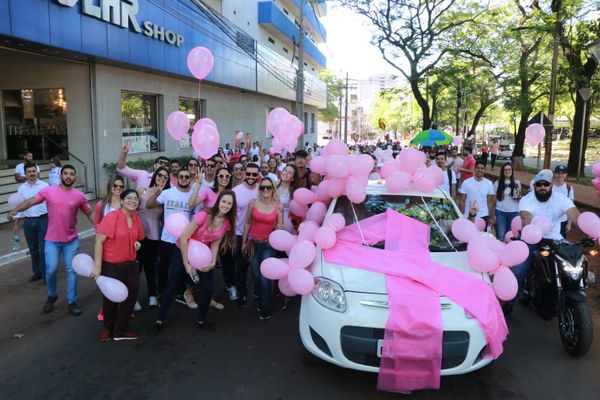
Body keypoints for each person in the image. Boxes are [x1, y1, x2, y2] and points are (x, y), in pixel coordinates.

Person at [8, 165, 93, 316]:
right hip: (52, 241)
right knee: (51, 270)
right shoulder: (49, 191)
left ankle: (72, 301)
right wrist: (16, 210)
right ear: (60, 176)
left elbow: (89, 213)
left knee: (71, 271)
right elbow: (30, 202)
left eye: (71, 174)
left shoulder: (79, 196)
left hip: (71, 241)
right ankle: (52, 295)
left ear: (75, 177)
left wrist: (101, 227)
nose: (68, 176)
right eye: (65, 173)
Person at [153, 190, 237, 333]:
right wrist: (187, 264)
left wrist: (212, 261)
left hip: (202, 254)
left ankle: (201, 319)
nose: (226, 205)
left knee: (208, 289)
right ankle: (159, 319)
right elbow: (184, 237)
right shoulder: (204, 214)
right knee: (172, 285)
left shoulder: (227, 222)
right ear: (218, 202)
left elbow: (215, 243)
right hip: (182, 250)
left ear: (232, 206)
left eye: (229, 203)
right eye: (224, 201)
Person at [508, 170, 580, 313]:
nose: (542, 187)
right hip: (532, 238)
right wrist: (529, 229)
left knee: (575, 261)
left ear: (551, 184)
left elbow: (574, 214)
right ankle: (509, 303)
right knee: (520, 270)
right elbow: (526, 218)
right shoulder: (527, 200)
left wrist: (587, 227)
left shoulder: (561, 198)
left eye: (545, 184)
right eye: (539, 184)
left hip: (555, 239)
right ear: (534, 185)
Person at [91, 189, 144, 341]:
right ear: (121, 200)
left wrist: (137, 245)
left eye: (136, 198)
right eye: (129, 198)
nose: (133, 201)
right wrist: (97, 266)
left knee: (130, 298)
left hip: (131, 265)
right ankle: (108, 328)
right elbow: (99, 242)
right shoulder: (112, 217)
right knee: (110, 299)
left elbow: (138, 238)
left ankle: (120, 330)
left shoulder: (136, 218)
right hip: (111, 266)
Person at [146, 168, 195, 297]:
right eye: (181, 176)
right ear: (177, 178)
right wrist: (156, 194)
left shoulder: (193, 195)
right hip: (167, 238)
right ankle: (162, 292)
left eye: (186, 177)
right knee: (164, 267)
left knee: (182, 268)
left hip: (184, 240)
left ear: (190, 180)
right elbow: (149, 205)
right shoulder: (167, 193)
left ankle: (180, 292)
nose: (184, 179)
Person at [243, 177, 283, 320]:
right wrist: (244, 241)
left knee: (264, 277)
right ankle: (261, 297)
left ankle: (265, 307)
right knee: (255, 275)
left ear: (273, 189)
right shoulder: (253, 203)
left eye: (268, 187)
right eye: (262, 187)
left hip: (268, 245)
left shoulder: (278, 206)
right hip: (253, 243)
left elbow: (280, 228)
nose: (265, 190)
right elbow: (247, 222)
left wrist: (280, 217)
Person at [136, 167, 170, 308]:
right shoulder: (142, 190)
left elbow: (164, 216)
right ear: (155, 176)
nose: (161, 178)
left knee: (150, 266)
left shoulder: (167, 194)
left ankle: (152, 294)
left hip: (153, 233)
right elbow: (133, 207)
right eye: (160, 175)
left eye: (165, 177)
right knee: (135, 268)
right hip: (137, 232)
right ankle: (133, 298)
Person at [14, 162, 49, 282]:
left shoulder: (45, 186)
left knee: (44, 249)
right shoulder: (21, 188)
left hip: (43, 220)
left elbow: (51, 203)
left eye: (34, 171)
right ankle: (37, 272)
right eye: (29, 172)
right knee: (33, 249)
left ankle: (45, 274)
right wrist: (16, 223)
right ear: (25, 173)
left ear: (37, 172)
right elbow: (19, 206)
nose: (32, 174)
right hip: (28, 222)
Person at [232, 163, 260, 305]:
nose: (250, 177)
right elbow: (230, 214)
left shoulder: (263, 190)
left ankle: (257, 292)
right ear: (244, 173)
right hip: (239, 234)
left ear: (258, 175)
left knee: (256, 268)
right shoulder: (236, 191)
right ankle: (241, 293)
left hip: (257, 236)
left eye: (254, 174)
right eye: (248, 173)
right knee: (241, 267)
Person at [459, 161, 495, 228]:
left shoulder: (489, 183)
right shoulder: (466, 182)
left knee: (482, 237)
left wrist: (491, 217)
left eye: (482, 168)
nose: (480, 170)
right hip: (468, 215)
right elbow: (462, 201)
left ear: (485, 170)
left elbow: (490, 202)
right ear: (474, 169)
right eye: (478, 168)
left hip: (483, 215)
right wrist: (460, 216)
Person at [493, 163, 521, 240]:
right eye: (505, 169)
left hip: (514, 212)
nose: (507, 171)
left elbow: (519, 197)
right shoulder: (497, 183)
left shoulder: (517, 182)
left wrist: (518, 198)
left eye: (509, 169)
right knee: (501, 236)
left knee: (510, 236)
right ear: (502, 171)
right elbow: (494, 200)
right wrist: (493, 215)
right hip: (500, 212)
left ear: (512, 171)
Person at [277, 164, 300, 233]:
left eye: (289, 173)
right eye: (285, 170)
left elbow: (297, 214)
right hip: (270, 221)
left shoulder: (294, 193)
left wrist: (292, 225)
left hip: (285, 225)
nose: (286, 173)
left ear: (292, 178)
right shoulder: (273, 185)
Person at [553, 165, 574, 237]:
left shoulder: (569, 188)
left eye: (563, 173)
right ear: (554, 174)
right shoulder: (549, 186)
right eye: (558, 173)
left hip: (563, 220)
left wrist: (569, 223)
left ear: (566, 174)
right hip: (550, 219)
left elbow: (571, 208)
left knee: (560, 243)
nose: (560, 175)